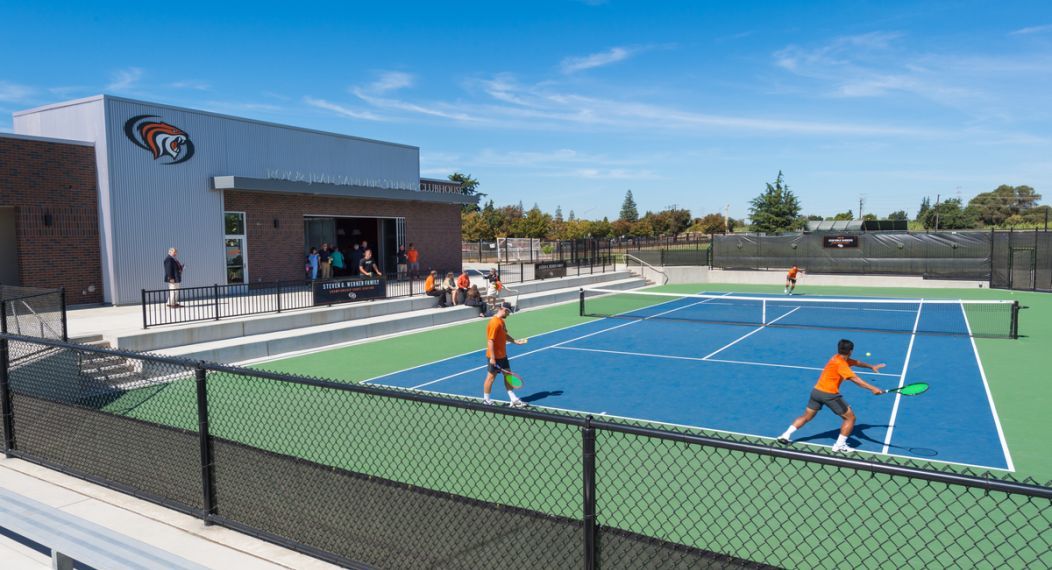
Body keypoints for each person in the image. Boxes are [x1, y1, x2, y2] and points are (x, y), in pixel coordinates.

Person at [777, 339, 886, 453]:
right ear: (851, 351)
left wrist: (871, 366)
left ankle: (785, 435)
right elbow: (856, 380)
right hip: (829, 395)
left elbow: (856, 362)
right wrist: (873, 388)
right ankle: (839, 445)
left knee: (806, 417)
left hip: (816, 392)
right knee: (850, 418)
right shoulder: (842, 364)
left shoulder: (836, 357)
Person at [483, 302, 528, 407]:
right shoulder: (494, 322)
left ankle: (513, 399)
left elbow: (505, 335)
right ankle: (486, 400)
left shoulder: (501, 322)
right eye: (508, 312)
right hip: (494, 356)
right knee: (490, 378)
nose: (508, 314)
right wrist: (493, 358)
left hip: (503, 355)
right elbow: (490, 341)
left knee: (508, 375)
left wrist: (515, 341)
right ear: (504, 310)